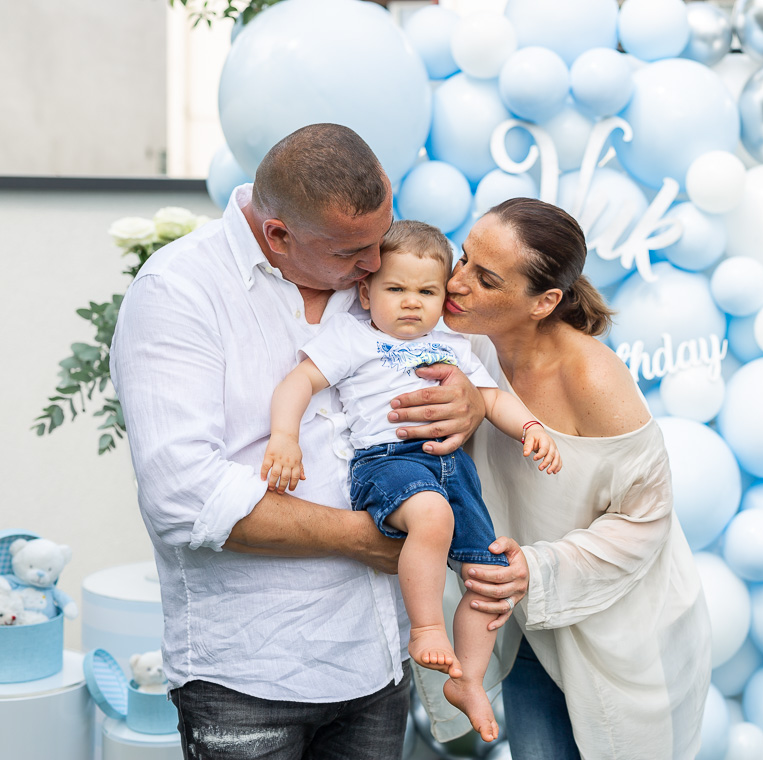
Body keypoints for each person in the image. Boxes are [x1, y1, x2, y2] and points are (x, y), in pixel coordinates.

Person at [109, 124, 485, 760]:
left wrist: (470, 404)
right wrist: (373, 540)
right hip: (252, 673)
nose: (376, 264)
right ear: (278, 235)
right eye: (353, 254)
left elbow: (451, 370)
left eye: (381, 239)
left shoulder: (371, 276)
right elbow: (182, 494)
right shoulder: (179, 291)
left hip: (377, 657)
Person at [405, 198, 712, 759]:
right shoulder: (465, 345)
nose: (457, 281)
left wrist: (537, 568)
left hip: (625, 632)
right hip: (528, 618)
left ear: (544, 302)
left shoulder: (592, 378)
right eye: (466, 257)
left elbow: (646, 519)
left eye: (487, 278)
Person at [260, 220, 560, 742]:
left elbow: (491, 400)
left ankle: (467, 679)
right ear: (365, 290)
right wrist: (283, 438)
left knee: (489, 577)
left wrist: (530, 425)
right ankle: (425, 629)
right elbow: (298, 383)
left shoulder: (452, 344)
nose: (410, 303)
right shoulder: (353, 338)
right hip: (387, 462)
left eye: (427, 292)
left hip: (453, 469)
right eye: (395, 289)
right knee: (431, 515)